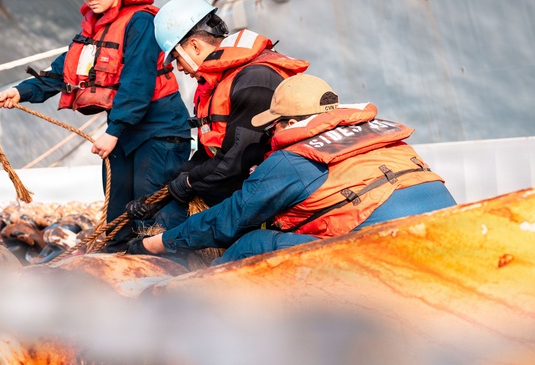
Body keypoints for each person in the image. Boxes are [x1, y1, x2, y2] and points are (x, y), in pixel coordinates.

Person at [128, 74, 456, 263]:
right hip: (445, 230)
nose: (271, 134)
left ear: (286, 122)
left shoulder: (293, 160)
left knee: (250, 245)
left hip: (382, 253)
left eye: (273, 127)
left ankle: (195, 315)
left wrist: (156, 243)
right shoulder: (380, 133)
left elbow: (226, 221)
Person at [0, 0, 192, 248]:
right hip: (125, 133)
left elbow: (138, 82)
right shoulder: (94, 28)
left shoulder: (140, 23)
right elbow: (64, 71)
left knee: (153, 219)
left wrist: (113, 132)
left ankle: (168, 283)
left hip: (159, 132)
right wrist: (21, 91)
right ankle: (118, 278)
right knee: (116, 222)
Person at [124, 0, 308, 222]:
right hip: (237, 185)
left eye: (177, 58)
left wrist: (185, 185)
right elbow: (206, 154)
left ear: (194, 45)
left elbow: (237, 162)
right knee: (160, 219)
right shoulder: (213, 86)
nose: (179, 68)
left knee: (166, 233)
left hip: (273, 195)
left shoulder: (254, 79)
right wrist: (156, 198)